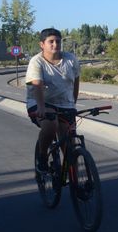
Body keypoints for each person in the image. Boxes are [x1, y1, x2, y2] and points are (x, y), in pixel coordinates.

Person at [26, 27, 80, 171]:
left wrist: (73, 104)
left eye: (58, 41)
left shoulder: (70, 59)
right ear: (42, 44)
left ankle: (76, 181)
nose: (55, 44)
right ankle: (42, 157)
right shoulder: (36, 62)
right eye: (51, 41)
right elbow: (37, 86)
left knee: (69, 144)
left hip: (65, 104)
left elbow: (76, 81)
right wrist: (41, 107)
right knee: (51, 125)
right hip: (39, 102)